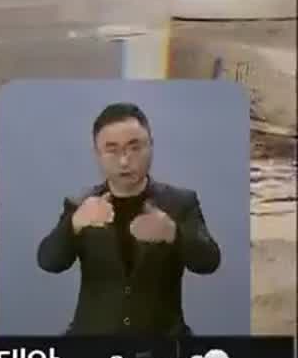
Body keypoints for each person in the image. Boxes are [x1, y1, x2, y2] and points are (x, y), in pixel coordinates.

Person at [34, 101, 222, 335]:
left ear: (151, 146)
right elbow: (49, 262)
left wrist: (173, 233)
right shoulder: (81, 204)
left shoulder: (180, 202)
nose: (124, 161)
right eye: (112, 150)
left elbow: (209, 262)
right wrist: (74, 224)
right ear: (98, 154)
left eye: (134, 147)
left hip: (162, 343)